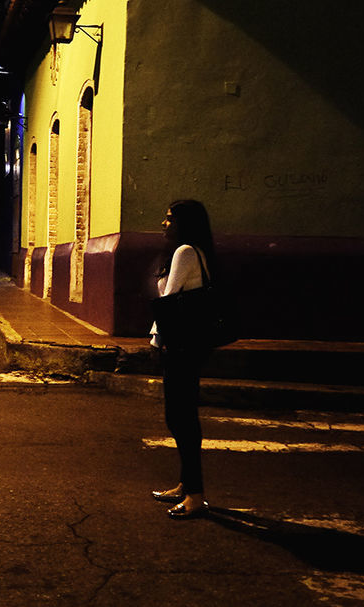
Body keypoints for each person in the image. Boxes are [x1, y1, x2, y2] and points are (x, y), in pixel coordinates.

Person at [150, 199, 216, 520]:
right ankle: (186, 484)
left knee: (181, 419)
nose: (164, 224)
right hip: (187, 347)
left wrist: (156, 339)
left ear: (183, 223)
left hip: (180, 348)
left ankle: (195, 494)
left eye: (169, 218)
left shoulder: (184, 253)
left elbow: (169, 300)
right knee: (180, 417)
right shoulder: (196, 252)